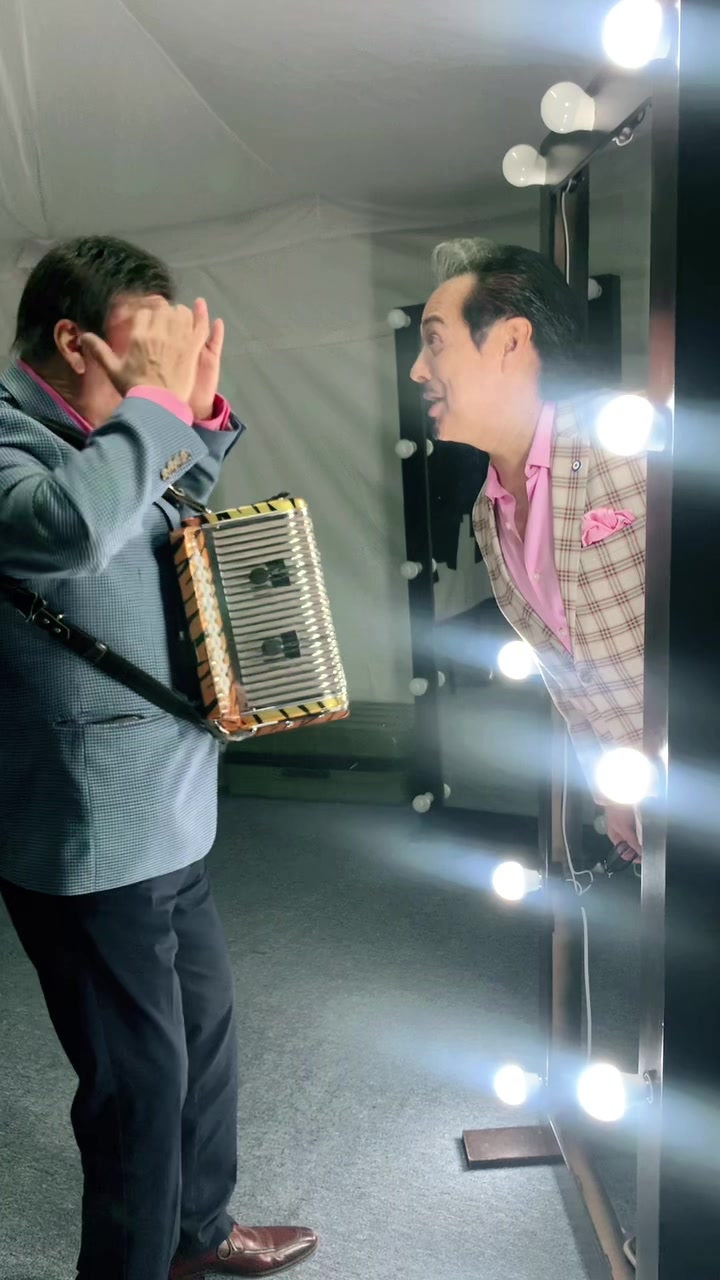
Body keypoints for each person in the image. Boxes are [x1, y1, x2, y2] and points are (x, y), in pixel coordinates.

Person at [0, 237, 318, 1280]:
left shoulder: (114, 426)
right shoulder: (10, 434)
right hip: (89, 832)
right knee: (138, 1090)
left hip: (168, 802)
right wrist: (155, 408)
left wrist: (195, 417)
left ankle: (198, 1231)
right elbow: (68, 529)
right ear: (71, 340)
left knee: (205, 1039)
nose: (163, 371)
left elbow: (164, 508)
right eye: (148, 348)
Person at [410, 238, 646, 861]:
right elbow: (569, 677)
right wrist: (615, 793)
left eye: (434, 341)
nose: (417, 370)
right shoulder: (487, 513)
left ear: (512, 340)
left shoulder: (632, 445)